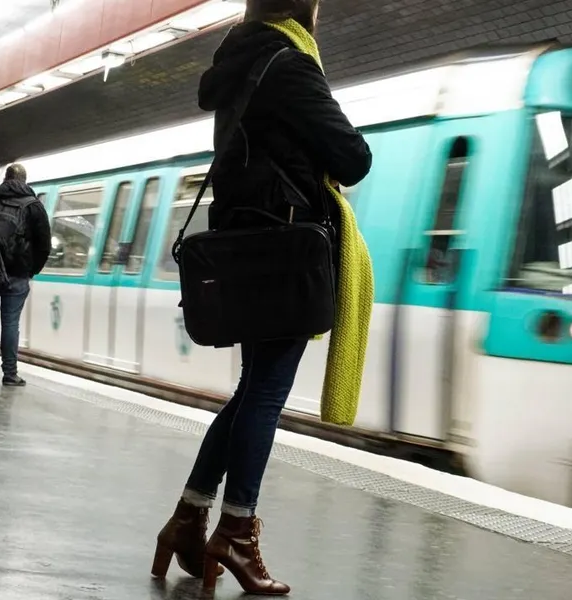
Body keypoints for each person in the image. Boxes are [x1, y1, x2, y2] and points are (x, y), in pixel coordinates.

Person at [151, 0, 372, 594]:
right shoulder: (291, 64)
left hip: (249, 244)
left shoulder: (239, 61)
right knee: (266, 393)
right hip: (286, 250)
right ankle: (237, 531)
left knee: (253, 390)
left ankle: (188, 518)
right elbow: (354, 159)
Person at [0, 163, 51, 386]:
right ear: (25, 181)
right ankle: (10, 374)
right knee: (10, 324)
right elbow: (44, 245)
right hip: (18, 274)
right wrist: (31, 270)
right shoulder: (34, 206)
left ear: (6, 179)